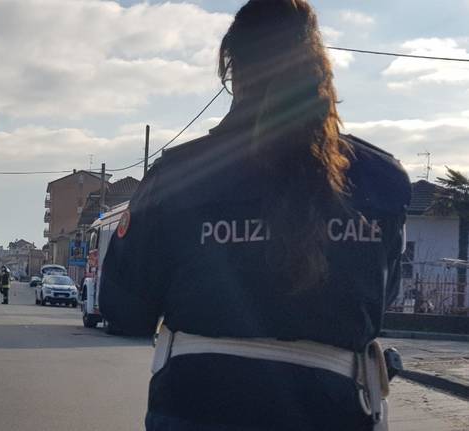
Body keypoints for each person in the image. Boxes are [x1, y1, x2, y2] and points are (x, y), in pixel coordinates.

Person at [99, 1, 411, 430]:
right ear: (319, 65)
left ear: (231, 67)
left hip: (195, 407)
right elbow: (380, 300)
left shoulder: (180, 174)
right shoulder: (382, 179)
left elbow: (123, 309)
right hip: (334, 412)